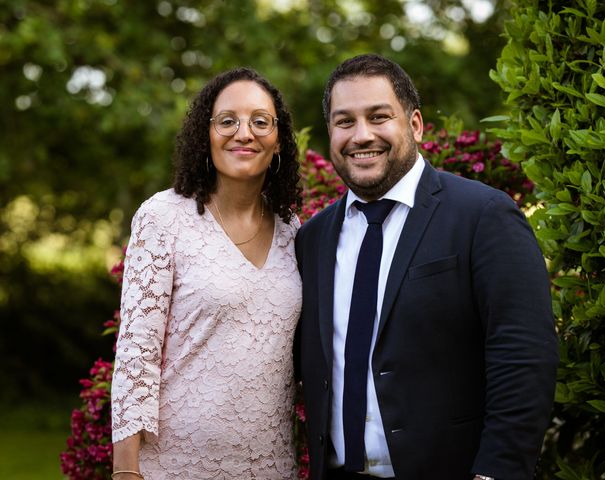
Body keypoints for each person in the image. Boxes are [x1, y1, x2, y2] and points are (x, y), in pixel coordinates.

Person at [295, 53, 559, 480]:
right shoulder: (314, 238)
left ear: (415, 124)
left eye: (379, 117)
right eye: (345, 121)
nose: (361, 135)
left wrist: (496, 472)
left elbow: (524, 355)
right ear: (331, 131)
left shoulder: (483, 215)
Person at [111, 67, 302, 479]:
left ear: (279, 139)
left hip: (271, 465)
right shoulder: (164, 218)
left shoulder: (292, 230)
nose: (244, 133)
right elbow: (136, 351)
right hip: (176, 464)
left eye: (260, 121)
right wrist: (125, 470)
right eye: (227, 121)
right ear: (206, 134)